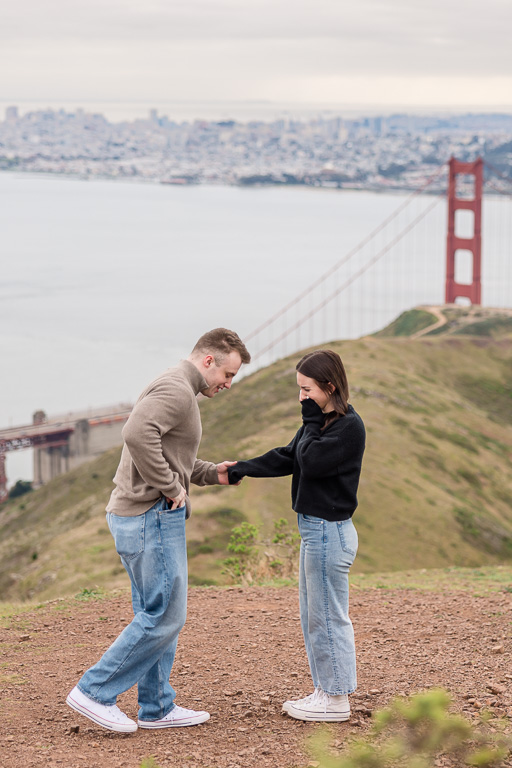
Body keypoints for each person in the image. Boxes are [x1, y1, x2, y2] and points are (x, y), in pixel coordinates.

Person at [66, 328, 251, 733]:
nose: (228, 384)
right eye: (228, 374)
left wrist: (209, 474)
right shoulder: (179, 391)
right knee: (166, 614)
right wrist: (172, 488)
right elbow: (135, 434)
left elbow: (169, 450)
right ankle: (95, 691)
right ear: (208, 361)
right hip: (150, 514)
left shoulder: (176, 383)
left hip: (141, 514)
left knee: (155, 611)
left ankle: (157, 706)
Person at [228, 349, 365, 722]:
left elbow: (312, 461)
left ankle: (335, 700)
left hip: (329, 531)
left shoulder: (346, 427)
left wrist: (308, 421)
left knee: (326, 616)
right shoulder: (320, 423)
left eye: (307, 390)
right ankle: (326, 689)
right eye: (299, 390)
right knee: (313, 615)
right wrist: (241, 468)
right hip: (314, 530)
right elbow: (289, 456)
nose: (301, 397)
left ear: (329, 387)